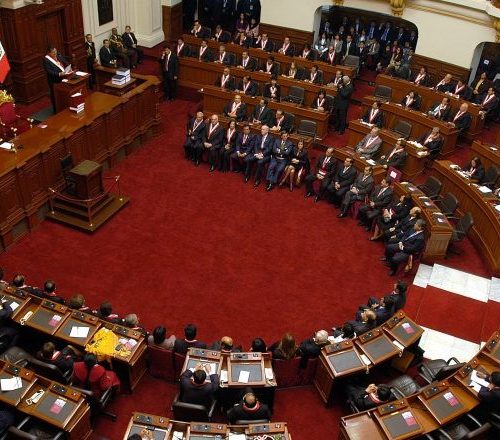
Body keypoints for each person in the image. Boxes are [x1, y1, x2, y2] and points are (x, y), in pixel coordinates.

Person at [43, 46, 71, 111]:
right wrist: (59, 74)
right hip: (54, 80)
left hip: (63, 77)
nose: (55, 53)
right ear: (49, 53)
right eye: (53, 52)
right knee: (55, 95)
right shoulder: (46, 60)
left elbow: (65, 61)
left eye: (55, 51)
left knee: (63, 92)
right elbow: (49, 71)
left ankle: (64, 106)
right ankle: (56, 109)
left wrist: (69, 67)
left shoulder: (58, 55)